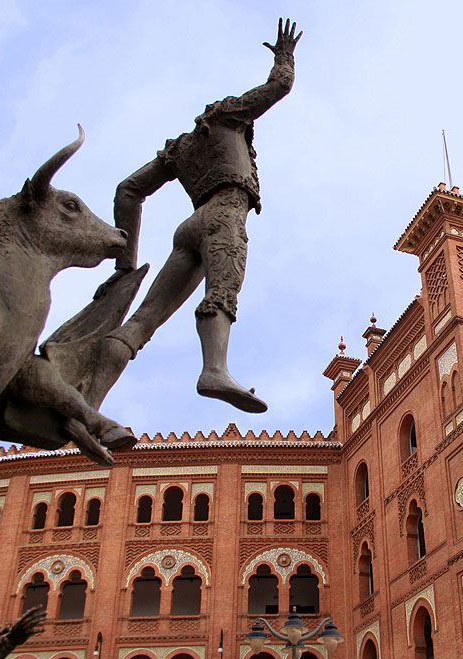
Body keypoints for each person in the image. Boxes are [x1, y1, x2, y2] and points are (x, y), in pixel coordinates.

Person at [89, 18, 302, 414]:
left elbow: (128, 190)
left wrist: (125, 265)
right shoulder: (226, 117)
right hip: (224, 217)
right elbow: (279, 87)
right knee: (221, 293)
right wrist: (285, 57)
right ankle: (214, 369)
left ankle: (89, 399)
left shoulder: (181, 148)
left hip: (189, 228)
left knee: (143, 321)